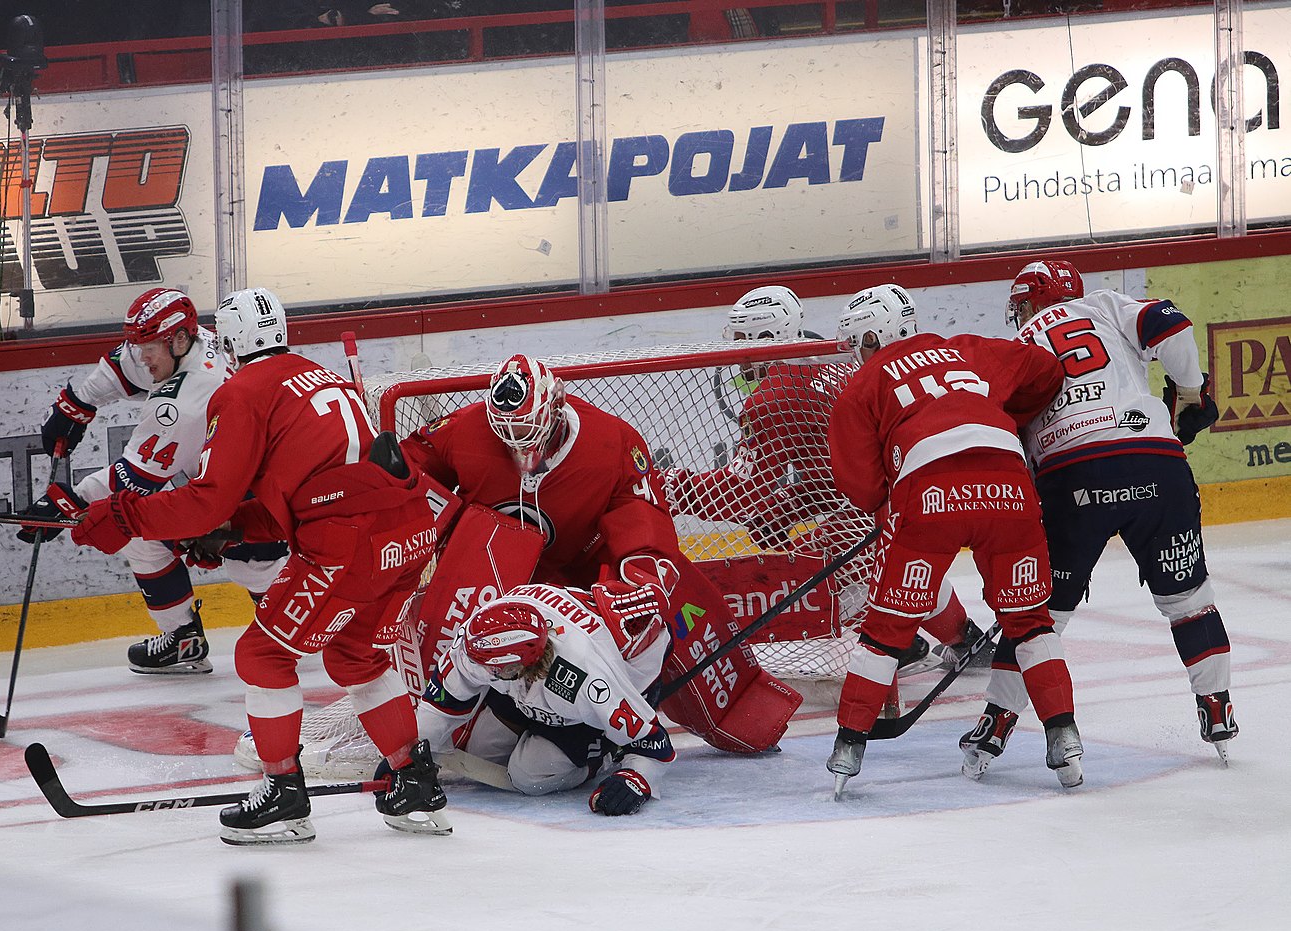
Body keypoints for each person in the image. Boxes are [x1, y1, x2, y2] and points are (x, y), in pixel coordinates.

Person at [70, 286, 452, 845]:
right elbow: (314, 492)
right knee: (356, 656)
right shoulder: (321, 376)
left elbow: (207, 498)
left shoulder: (242, 391)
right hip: (410, 532)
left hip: (351, 541)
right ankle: (414, 781)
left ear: (228, 341)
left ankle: (283, 797)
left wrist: (125, 517)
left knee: (263, 654)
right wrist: (233, 530)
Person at [400, 352, 805, 755]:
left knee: (676, 602)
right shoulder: (465, 428)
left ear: (557, 410)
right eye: (508, 441)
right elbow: (411, 465)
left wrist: (642, 581)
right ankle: (443, 719)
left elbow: (642, 522)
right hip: (498, 573)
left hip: (583, 579)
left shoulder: (612, 442)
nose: (523, 457)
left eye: (530, 437)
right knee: (473, 665)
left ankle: (730, 707)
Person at [959, 260, 1236, 775]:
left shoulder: (1015, 350)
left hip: (1070, 477)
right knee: (1189, 601)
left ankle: (997, 720)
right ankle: (1217, 707)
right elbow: (1172, 326)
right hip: (1152, 461)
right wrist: (1193, 390)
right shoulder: (1105, 305)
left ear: (1029, 301)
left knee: (1036, 616)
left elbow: (1006, 438)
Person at [826, 282, 1083, 796]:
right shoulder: (966, 349)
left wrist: (894, 507)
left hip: (929, 495)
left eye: (859, 343)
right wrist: (1009, 421)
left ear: (873, 337)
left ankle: (848, 747)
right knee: (1030, 622)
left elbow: (859, 484)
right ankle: (1064, 738)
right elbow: (1047, 371)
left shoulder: (862, 385)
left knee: (886, 631)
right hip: (1010, 486)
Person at [663, 285, 994, 670]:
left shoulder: (773, 398)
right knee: (876, 556)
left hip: (886, 506)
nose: (734, 352)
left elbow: (743, 494)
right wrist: (783, 511)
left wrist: (667, 487)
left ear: (763, 338)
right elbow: (832, 475)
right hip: (911, 494)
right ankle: (963, 638)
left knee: (810, 569)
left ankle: (902, 649)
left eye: (739, 339)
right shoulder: (830, 362)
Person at [22, 286, 284, 675]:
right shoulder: (192, 341)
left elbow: (133, 482)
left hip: (260, 486)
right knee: (142, 533)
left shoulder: (183, 402)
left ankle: (291, 624)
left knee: (251, 561)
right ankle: (183, 640)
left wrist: (68, 503)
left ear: (179, 339)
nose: (142, 358)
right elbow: (123, 364)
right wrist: (76, 403)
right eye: (139, 345)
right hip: (219, 474)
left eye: (150, 348)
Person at [419, 580, 677, 815]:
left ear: (523, 665)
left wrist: (636, 779)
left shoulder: (586, 677)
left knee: (529, 776)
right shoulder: (478, 639)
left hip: (606, 685)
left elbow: (653, 742)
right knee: (484, 751)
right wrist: (411, 757)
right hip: (536, 683)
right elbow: (441, 703)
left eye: (496, 669)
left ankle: (605, 753)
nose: (481, 672)